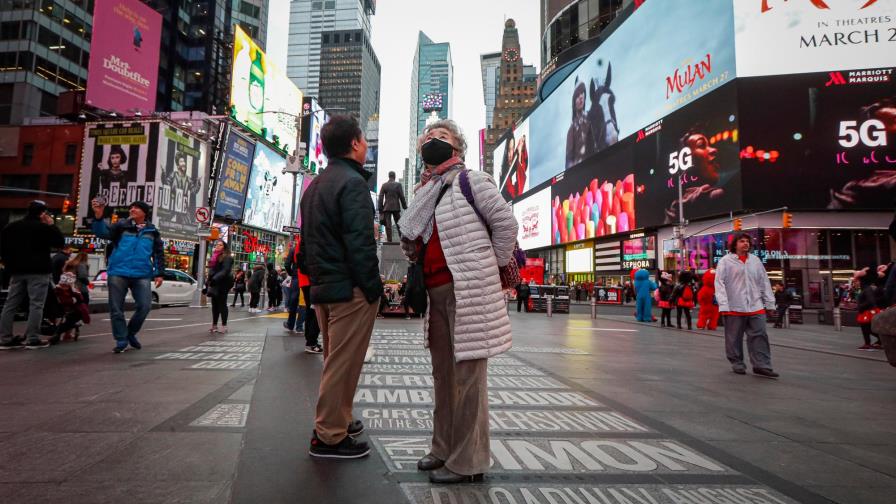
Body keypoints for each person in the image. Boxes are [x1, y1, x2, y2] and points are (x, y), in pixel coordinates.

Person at [398, 119, 518, 484]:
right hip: (436, 293)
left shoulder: (471, 180)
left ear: (458, 149)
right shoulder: (424, 193)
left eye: (443, 137)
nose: (434, 140)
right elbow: (412, 240)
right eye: (429, 137)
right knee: (443, 377)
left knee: (468, 379)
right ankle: (442, 448)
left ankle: (468, 462)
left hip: (468, 291)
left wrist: (488, 266)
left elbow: (506, 224)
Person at [298, 115, 383, 459]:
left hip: (323, 288)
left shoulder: (316, 185)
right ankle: (329, 436)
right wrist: (373, 287)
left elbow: (306, 243)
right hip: (350, 289)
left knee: (338, 360)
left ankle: (340, 419)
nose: (366, 145)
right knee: (342, 364)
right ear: (354, 144)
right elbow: (360, 242)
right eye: (363, 140)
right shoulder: (352, 184)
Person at [91, 200, 164, 353]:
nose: (132, 209)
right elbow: (102, 233)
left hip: (142, 273)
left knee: (145, 306)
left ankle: (130, 333)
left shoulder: (152, 231)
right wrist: (98, 217)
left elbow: (158, 254)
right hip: (118, 271)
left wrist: (159, 273)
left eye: (136, 207)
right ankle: (121, 339)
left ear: (145, 212)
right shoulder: (121, 226)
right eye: (131, 207)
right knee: (116, 308)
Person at [0, 200, 65, 349]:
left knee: (11, 304)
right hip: (39, 271)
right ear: (43, 213)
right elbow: (60, 242)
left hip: (17, 271)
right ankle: (32, 338)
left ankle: (5, 338)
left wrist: (10, 266)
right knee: (36, 304)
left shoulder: (11, 228)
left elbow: (3, 249)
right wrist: (51, 224)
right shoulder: (43, 228)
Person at [715, 233, 779, 378]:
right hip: (734, 307)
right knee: (734, 338)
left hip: (756, 306)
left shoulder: (755, 261)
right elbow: (719, 284)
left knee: (760, 336)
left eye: (748, 241)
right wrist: (723, 305)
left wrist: (769, 303)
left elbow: (764, 283)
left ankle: (762, 365)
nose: (746, 244)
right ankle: (737, 363)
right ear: (735, 244)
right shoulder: (725, 261)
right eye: (742, 241)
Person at [284, 238, 322, 353]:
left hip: (302, 279)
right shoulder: (313, 239)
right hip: (312, 278)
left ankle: (309, 339)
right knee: (315, 310)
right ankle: (311, 342)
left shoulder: (299, 243)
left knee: (309, 308)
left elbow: (291, 262)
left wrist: (293, 274)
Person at [50, 272, 88, 344]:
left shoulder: (59, 289)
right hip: (66, 309)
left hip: (64, 309)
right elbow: (77, 299)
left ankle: (63, 333)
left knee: (72, 317)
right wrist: (74, 298)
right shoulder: (63, 290)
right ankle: (61, 333)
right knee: (75, 315)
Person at [565, 78, 595, 169]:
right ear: (574, 102)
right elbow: (569, 162)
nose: (581, 96)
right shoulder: (571, 130)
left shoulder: (591, 117)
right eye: (577, 95)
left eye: (582, 93)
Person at [207, 240, 233, 334]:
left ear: (224, 247)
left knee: (222, 304)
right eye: (217, 244)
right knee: (214, 305)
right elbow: (211, 271)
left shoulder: (227, 257)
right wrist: (207, 283)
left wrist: (215, 278)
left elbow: (225, 270)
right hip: (214, 283)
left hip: (223, 283)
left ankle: (224, 326)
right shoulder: (214, 256)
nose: (218, 246)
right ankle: (214, 325)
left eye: (220, 245)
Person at [854, 268, 883, 350]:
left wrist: (861, 306)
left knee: (868, 328)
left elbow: (871, 301)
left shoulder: (867, 289)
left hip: (867, 312)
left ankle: (874, 342)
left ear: (861, 281)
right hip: (866, 311)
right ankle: (870, 343)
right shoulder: (865, 289)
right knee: (867, 328)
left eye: (856, 281)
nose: (855, 283)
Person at [378, 171, 407, 242]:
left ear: (389, 176)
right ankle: (402, 239)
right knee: (399, 224)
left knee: (388, 224)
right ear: (394, 176)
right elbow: (402, 197)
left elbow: (380, 198)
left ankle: (389, 241)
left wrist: (380, 209)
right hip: (396, 207)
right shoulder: (398, 185)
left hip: (387, 207)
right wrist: (404, 206)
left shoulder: (384, 185)